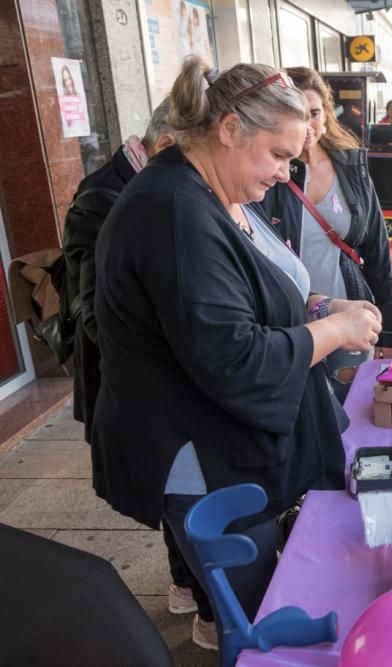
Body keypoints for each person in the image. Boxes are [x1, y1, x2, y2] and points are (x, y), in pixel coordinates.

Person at [91, 56, 382, 650]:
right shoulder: (174, 211)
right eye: (278, 155)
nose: (284, 173)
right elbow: (235, 358)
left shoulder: (213, 186)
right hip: (203, 457)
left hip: (227, 438)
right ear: (228, 129)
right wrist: (333, 334)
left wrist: (322, 309)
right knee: (256, 618)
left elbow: (254, 293)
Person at [61, 98, 215, 642]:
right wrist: (161, 346)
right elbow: (91, 309)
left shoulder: (161, 184)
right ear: (171, 146)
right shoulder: (101, 197)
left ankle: (185, 585)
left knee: (178, 482)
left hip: (158, 383)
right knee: (169, 480)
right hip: (128, 381)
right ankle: (199, 602)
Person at [262, 66, 392, 401]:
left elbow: (378, 252)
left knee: (349, 407)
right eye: (296, 113)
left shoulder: (351, 167)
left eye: (313, 112)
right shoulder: (270, 175)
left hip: (349, 313)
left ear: (327, 113)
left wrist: (390, 331)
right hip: (292, 322)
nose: (308, 125)